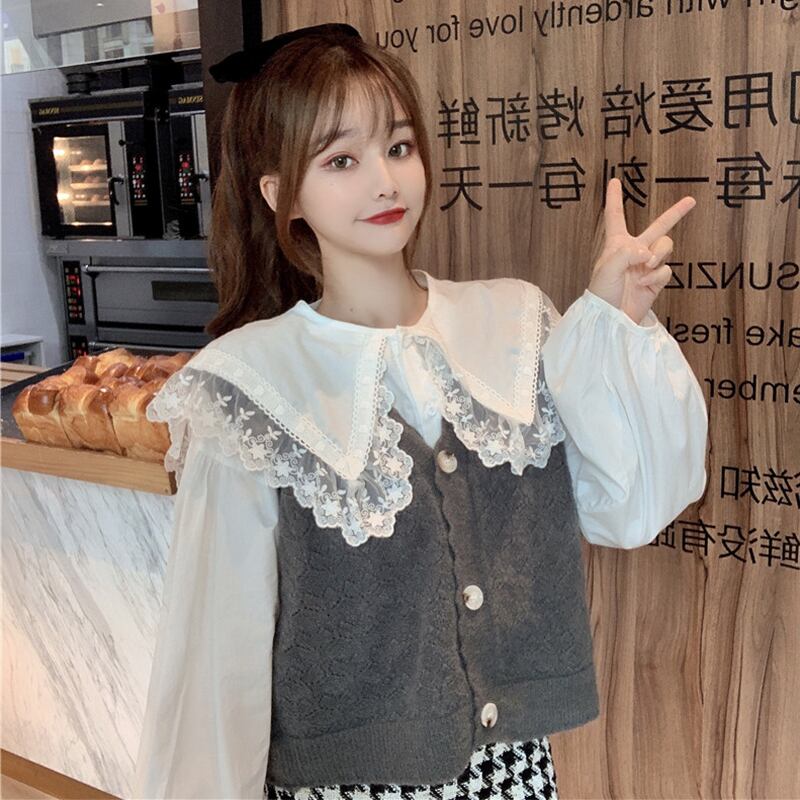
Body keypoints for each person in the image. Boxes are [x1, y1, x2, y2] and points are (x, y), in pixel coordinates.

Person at [131, 22, 708, 800]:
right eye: (341, 160)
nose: (385, 181)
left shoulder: (515, 324)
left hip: (514, 773)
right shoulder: (250, 384)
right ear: (280, 194)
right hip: (347, 788)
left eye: (398, 147)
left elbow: (626, 508)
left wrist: (614, 323)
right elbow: (216, 657)